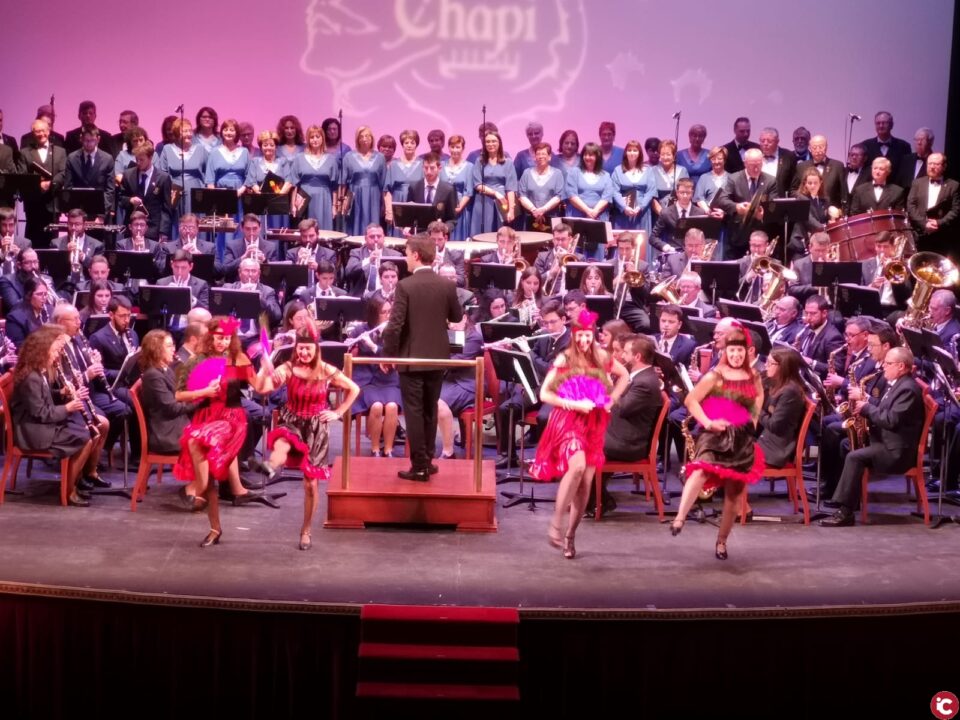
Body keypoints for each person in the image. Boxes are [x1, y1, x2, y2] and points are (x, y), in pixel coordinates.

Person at [530, 309, 629, 559]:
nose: (584, 341)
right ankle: (555, 522)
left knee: (585, 484)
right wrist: (575, 405)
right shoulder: (565, 359)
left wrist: (611, 400)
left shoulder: (603, 356)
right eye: (580, 336)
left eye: (588, 336)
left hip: (595, 423)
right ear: (574, 336)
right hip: (568, 420)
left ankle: (571, 535)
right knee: (576, 468)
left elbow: (625, 375)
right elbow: (545, 394)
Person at [174, 317, 275, 546]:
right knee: (200, 452)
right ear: (210, 336)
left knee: (198, 439)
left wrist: (267, 371)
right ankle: (214, 527)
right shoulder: (196, 361)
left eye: (228, 338)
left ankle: (198, 492)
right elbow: (179, 395)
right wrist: (203, 391)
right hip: (206, 415)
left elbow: (260, 388)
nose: (223, 342)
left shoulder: (238, 359)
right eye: (219, 337)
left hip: (231, 418)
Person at [670, 326, 765, 560]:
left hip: (741, 438)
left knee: (734, 494)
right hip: (714, 434)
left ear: (747, 352)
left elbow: (759, 395)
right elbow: (691, 401)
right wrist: (708, 422)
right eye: (732, 351)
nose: (736, 356)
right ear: (726, 352)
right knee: (701, 469)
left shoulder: (753, 376)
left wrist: (753, 418)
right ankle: (680, 517)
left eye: (740, 352)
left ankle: (721, 542)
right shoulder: (715, 375)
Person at [260, 331, 359, 550]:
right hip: (292, 419)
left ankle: (306, 530)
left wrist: (338, 411)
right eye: (300, 349)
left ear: (316, 350)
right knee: (283, 441)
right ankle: (270, 465)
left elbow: (354, 388)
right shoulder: (287, 368)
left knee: (310, 485)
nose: (304, 352)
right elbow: (266, 388)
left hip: (316, 429)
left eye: (308, 349)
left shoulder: (326, 369)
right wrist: (265, 368)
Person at [382, 234, 464, 481]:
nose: (405, 259)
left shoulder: (405, 286)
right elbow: (457, 316)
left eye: (407, 253)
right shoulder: (447, 285)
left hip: (412, 359)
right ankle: (427, 461)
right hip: (438, 358)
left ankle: (419, 465)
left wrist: (389, 355)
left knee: (415, 412)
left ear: (416, 255)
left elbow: (394, 326)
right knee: (430, 409)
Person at [819, 346, 924, 527]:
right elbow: (886, 408)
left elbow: (891, 420)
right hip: (887, 442)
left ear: (901, 366)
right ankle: (849, 500)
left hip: (896, 452)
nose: (883, 366)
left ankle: (845, 512)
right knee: (847, 444)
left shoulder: (908, 389)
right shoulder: (898, 384)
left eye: (888, 363)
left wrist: (866, 408)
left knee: (854, 456)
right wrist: (867, 402)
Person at [9, 325, 107, 507]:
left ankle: (75, 481)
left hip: (40, 424)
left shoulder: (39, 371)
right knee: (85, 437)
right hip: (32, 432)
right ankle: (68, 490)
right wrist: (68, 407)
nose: (57, 355)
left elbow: (42, 398)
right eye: (54, 351)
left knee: (89, 430)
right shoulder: (31, 377)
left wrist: (60, 393)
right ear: (41, 351)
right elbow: (40, 412)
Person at [139, 330, 217, 509]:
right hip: (167, 433)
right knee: (207, 440)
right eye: (168, 346)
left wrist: (201, 390)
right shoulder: (153, 376)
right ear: (156, 350)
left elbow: (180, 394)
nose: (173, 349)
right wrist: (201, 398)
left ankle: (209, 486)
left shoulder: (165, 370)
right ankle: (196, 488)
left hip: (176, 424)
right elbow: (172, 408)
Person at [588, 334, 664, 515]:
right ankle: (596, 499)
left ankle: (596, 501)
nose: (622, 357)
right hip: (624, 433)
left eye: (627, 353)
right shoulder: (641, 377)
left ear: (637, 357)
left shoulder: (644, 382)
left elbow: (622, 408)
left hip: (630, 443)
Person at [348, 297, 402, 457]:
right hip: (366, 381)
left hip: (389, 380)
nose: (387, 315)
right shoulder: (360, 330)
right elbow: (348, 353)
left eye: (389, 312)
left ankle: (389, 449)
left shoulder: (394, 331)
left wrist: (373, 347)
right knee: (377, 406)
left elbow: (393, 355)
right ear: (373, 314)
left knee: (392, 407)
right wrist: (352, 344)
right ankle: (375, 449)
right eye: (383, 312)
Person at [757, 347, 808, 468]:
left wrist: (755, 409)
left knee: (730, 453)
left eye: (770, 363)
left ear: (782, 367)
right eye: (766, 362)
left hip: (774, 450)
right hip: (765, 441)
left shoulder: (790, 392)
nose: (766, 366)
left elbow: (775, 426)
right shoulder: (776, 383)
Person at [289, 124, 339, 230]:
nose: (315, 140)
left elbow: (334, 187)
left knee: (323, 230)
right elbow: (294, 184)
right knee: (305, 230)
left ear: (322, 138)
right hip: (304, 198)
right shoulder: (299, 158)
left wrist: (334, 206)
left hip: (324, 198)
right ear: (308, 140)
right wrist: (293, 205)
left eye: (317, 137)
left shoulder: (331, 159)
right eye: (312, 137)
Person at [341, 126, 386, 236]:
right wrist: (342, 201)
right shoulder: (349, 156)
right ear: (357, 139)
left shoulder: (380, 157)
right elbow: (343, 182)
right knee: (355, 223)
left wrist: (383, 204)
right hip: (355, 194)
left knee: (373, 224)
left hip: (374, 195)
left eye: (367, 136)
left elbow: (383, 182)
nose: (365, 139)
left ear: (372, 138)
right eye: (361, 136)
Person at [471, 130, 517, 235]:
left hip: (502, 202)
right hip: (483, 201)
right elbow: (477, 184)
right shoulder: (480, 161)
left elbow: (511, 188)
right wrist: (495, 193)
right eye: (487, 142)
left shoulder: (508, 162)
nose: (490, 144)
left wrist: (511, 210)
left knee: (500, 233)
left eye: (493, 141)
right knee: (481, 234)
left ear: (499, 143)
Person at [610, 139, 655, 234]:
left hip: (642, 213)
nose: (632, 153)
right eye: (629, 150)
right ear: (625, 152)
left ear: (640, 153)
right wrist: (624, 207)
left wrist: (641, 207)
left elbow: (650, 191)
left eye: (635, 150)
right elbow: (614, 191)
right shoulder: (618, 170)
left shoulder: (648, 170)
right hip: (623, 213)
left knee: (641, 243)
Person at [517, 142, 564, 232]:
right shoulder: (526, 173)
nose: (540, 156)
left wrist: (543, 209)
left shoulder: (558, 174)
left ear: (549, 157)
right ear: (534, 157)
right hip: (530, 217)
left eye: (543, 154)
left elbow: (558, 197)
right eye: (538, 154)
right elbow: (522, 196)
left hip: (552, 218)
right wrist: (534, 210)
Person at [440, 135, 474, 241]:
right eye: (452, 147)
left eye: (458, 147)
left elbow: (469, 191)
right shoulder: (441, 165)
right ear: (449, 148)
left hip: (461, 209)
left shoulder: (469, 167)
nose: (455, 150)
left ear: (463, 148)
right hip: (443, 209)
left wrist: (459, 208)